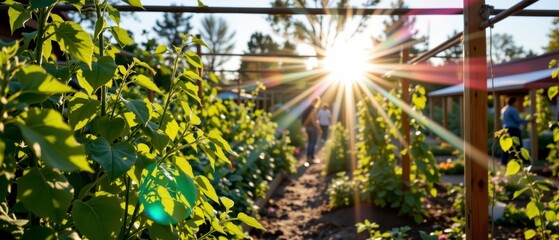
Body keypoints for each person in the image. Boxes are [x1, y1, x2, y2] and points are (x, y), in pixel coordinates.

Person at [500, 96, 532, 165]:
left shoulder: (503, 109)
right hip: (513, 130)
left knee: (506, 147)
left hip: (506, 130)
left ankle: (503, 162)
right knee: (518, 146)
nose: (517, 103)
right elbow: (518, 120)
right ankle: (519, 162)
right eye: (516, 102)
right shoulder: (513, 110)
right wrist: (529, 120)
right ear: (513, 102)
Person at [301, 97, 322, 161]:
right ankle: (310, 157)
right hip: (312, 128)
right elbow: (313, 120)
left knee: (310, 142)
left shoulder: (307, 108)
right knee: (312, 142)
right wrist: (319, 129)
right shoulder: (313, 108)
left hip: (307, 127)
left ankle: (309, 157)